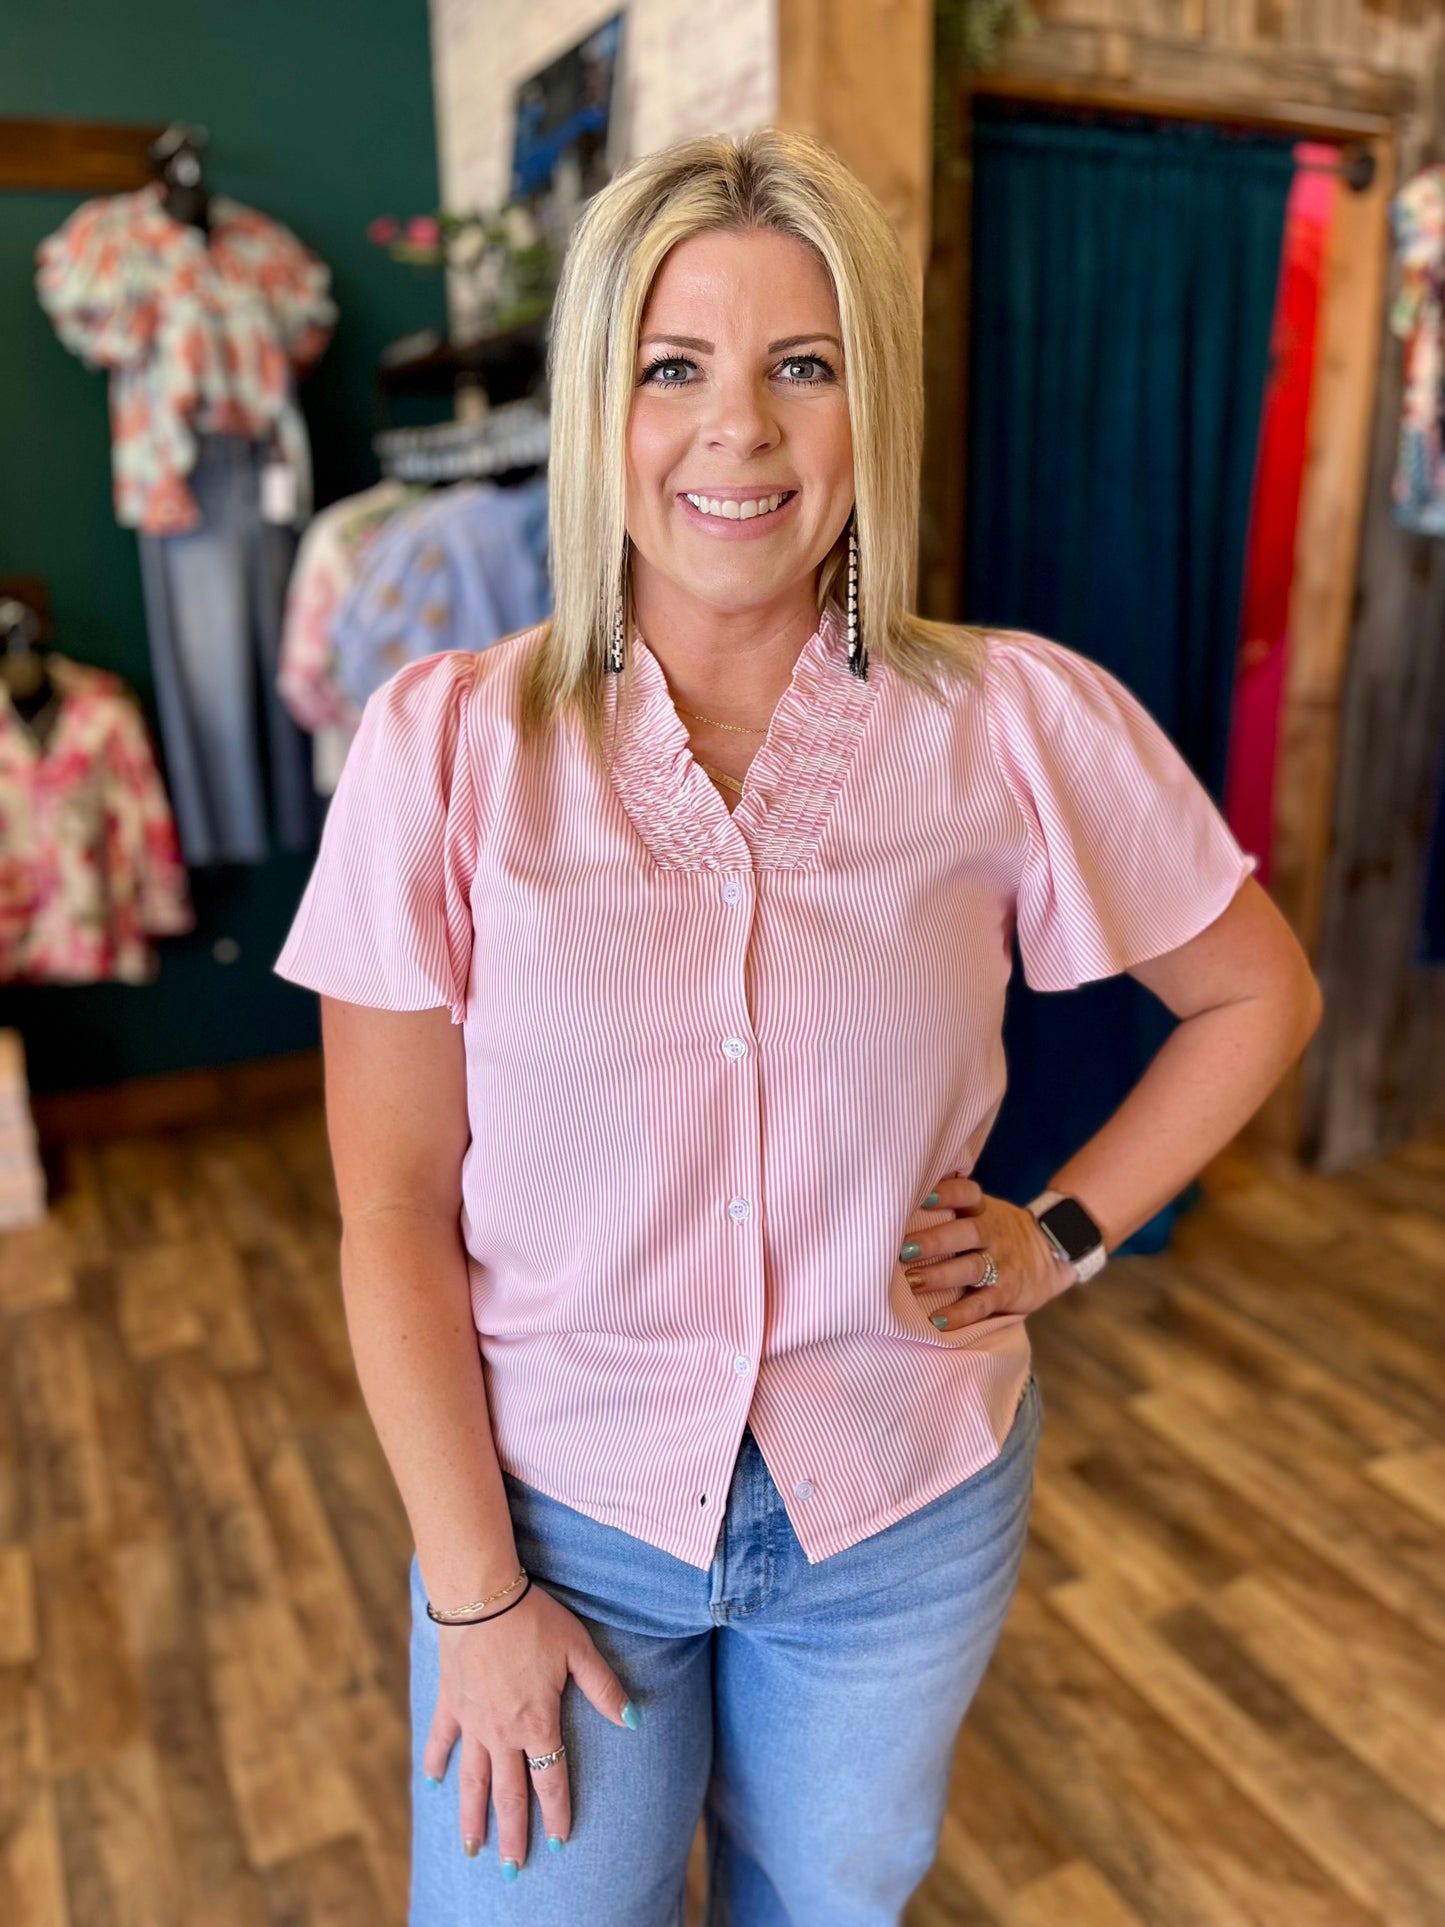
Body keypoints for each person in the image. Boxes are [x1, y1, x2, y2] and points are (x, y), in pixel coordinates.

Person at [273, 129, 1323, 1927]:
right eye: (673, 368)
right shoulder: (444, 750)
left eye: (801, 366)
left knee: (826, 1906)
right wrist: (472, 1594)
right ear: (601, 404)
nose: (736, 429)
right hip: (560, 1526)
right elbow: (389, 1211)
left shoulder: (1011, 721)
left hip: (901, 1516)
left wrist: (1059, 1236)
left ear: (869, 407)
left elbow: (1255, 991)